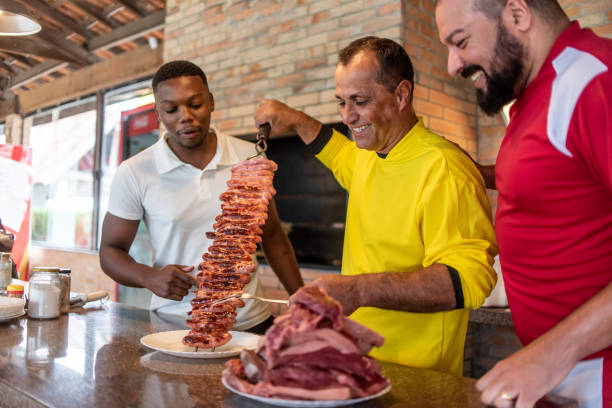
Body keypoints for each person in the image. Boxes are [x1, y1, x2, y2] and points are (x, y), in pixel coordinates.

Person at [254, 36, 498, 375]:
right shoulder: (369, 154)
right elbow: (336, 153)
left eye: (360, 101)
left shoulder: (444, 167)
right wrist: (293, 119)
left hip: (416, 374)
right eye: (341, 102)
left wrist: (358, 288)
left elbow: (469, 279)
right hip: (355, 360)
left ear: (401, 95)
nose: (348, 116)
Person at [435, 0, 612, 406]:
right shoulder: (532, 96)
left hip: (598, 375)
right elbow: (556, 177)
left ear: (517, 14)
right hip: (562, 374)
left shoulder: (594, 80)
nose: (451, 65)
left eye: (460, 42)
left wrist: (553, 353)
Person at [99, 60, 303, 334]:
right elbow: (110, 251)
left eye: (195, 105)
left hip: (250, 323)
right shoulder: (135, 171)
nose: (185, 116)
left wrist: (303, 301)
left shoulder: (248, 157)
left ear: (211, 102)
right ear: (158, 114)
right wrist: (148, 276)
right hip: (175, 325)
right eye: (171, 109)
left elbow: (274, 239)